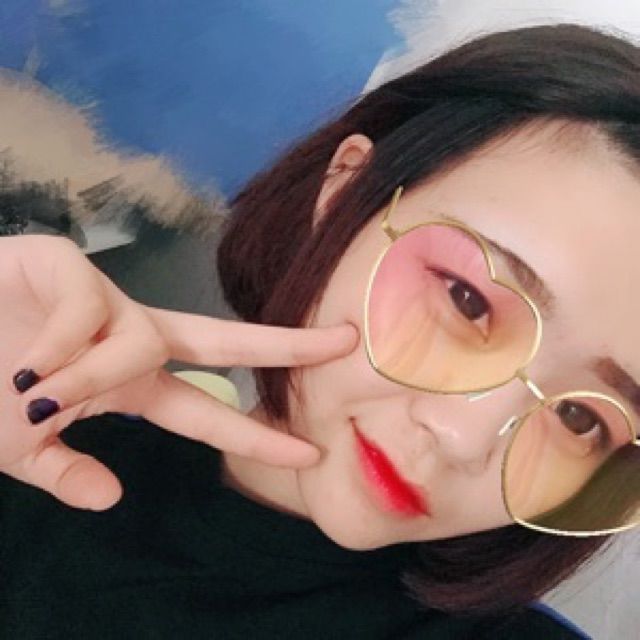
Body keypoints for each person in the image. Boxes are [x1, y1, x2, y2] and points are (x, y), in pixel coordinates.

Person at [1, 22, 639, 638]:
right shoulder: (32, 450)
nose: (464, 439)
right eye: (467, 301)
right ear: (346, 190)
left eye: (580, 419)